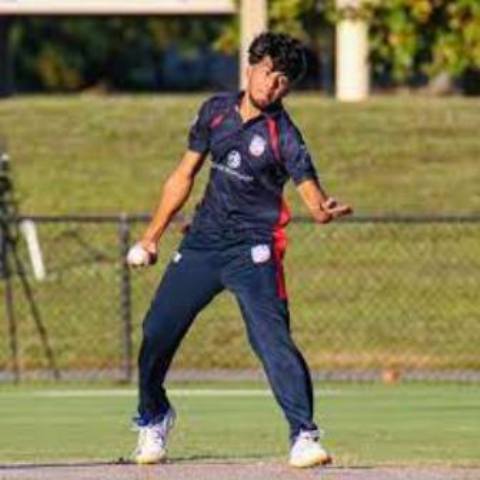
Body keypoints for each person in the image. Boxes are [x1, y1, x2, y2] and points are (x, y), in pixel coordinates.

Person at [126, 32, 352, 469]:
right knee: (157, 331)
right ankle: (154, 416)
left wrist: (323, 210)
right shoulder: (214, 112)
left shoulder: (285, 135)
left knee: (271, 339)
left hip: (254, 250)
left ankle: (303, 435)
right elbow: (183, 175)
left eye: (283, 81)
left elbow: (312, 197)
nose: (273, 85)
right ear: (250, 68)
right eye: (268, 73)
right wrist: (152, 236)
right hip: (203, 243)